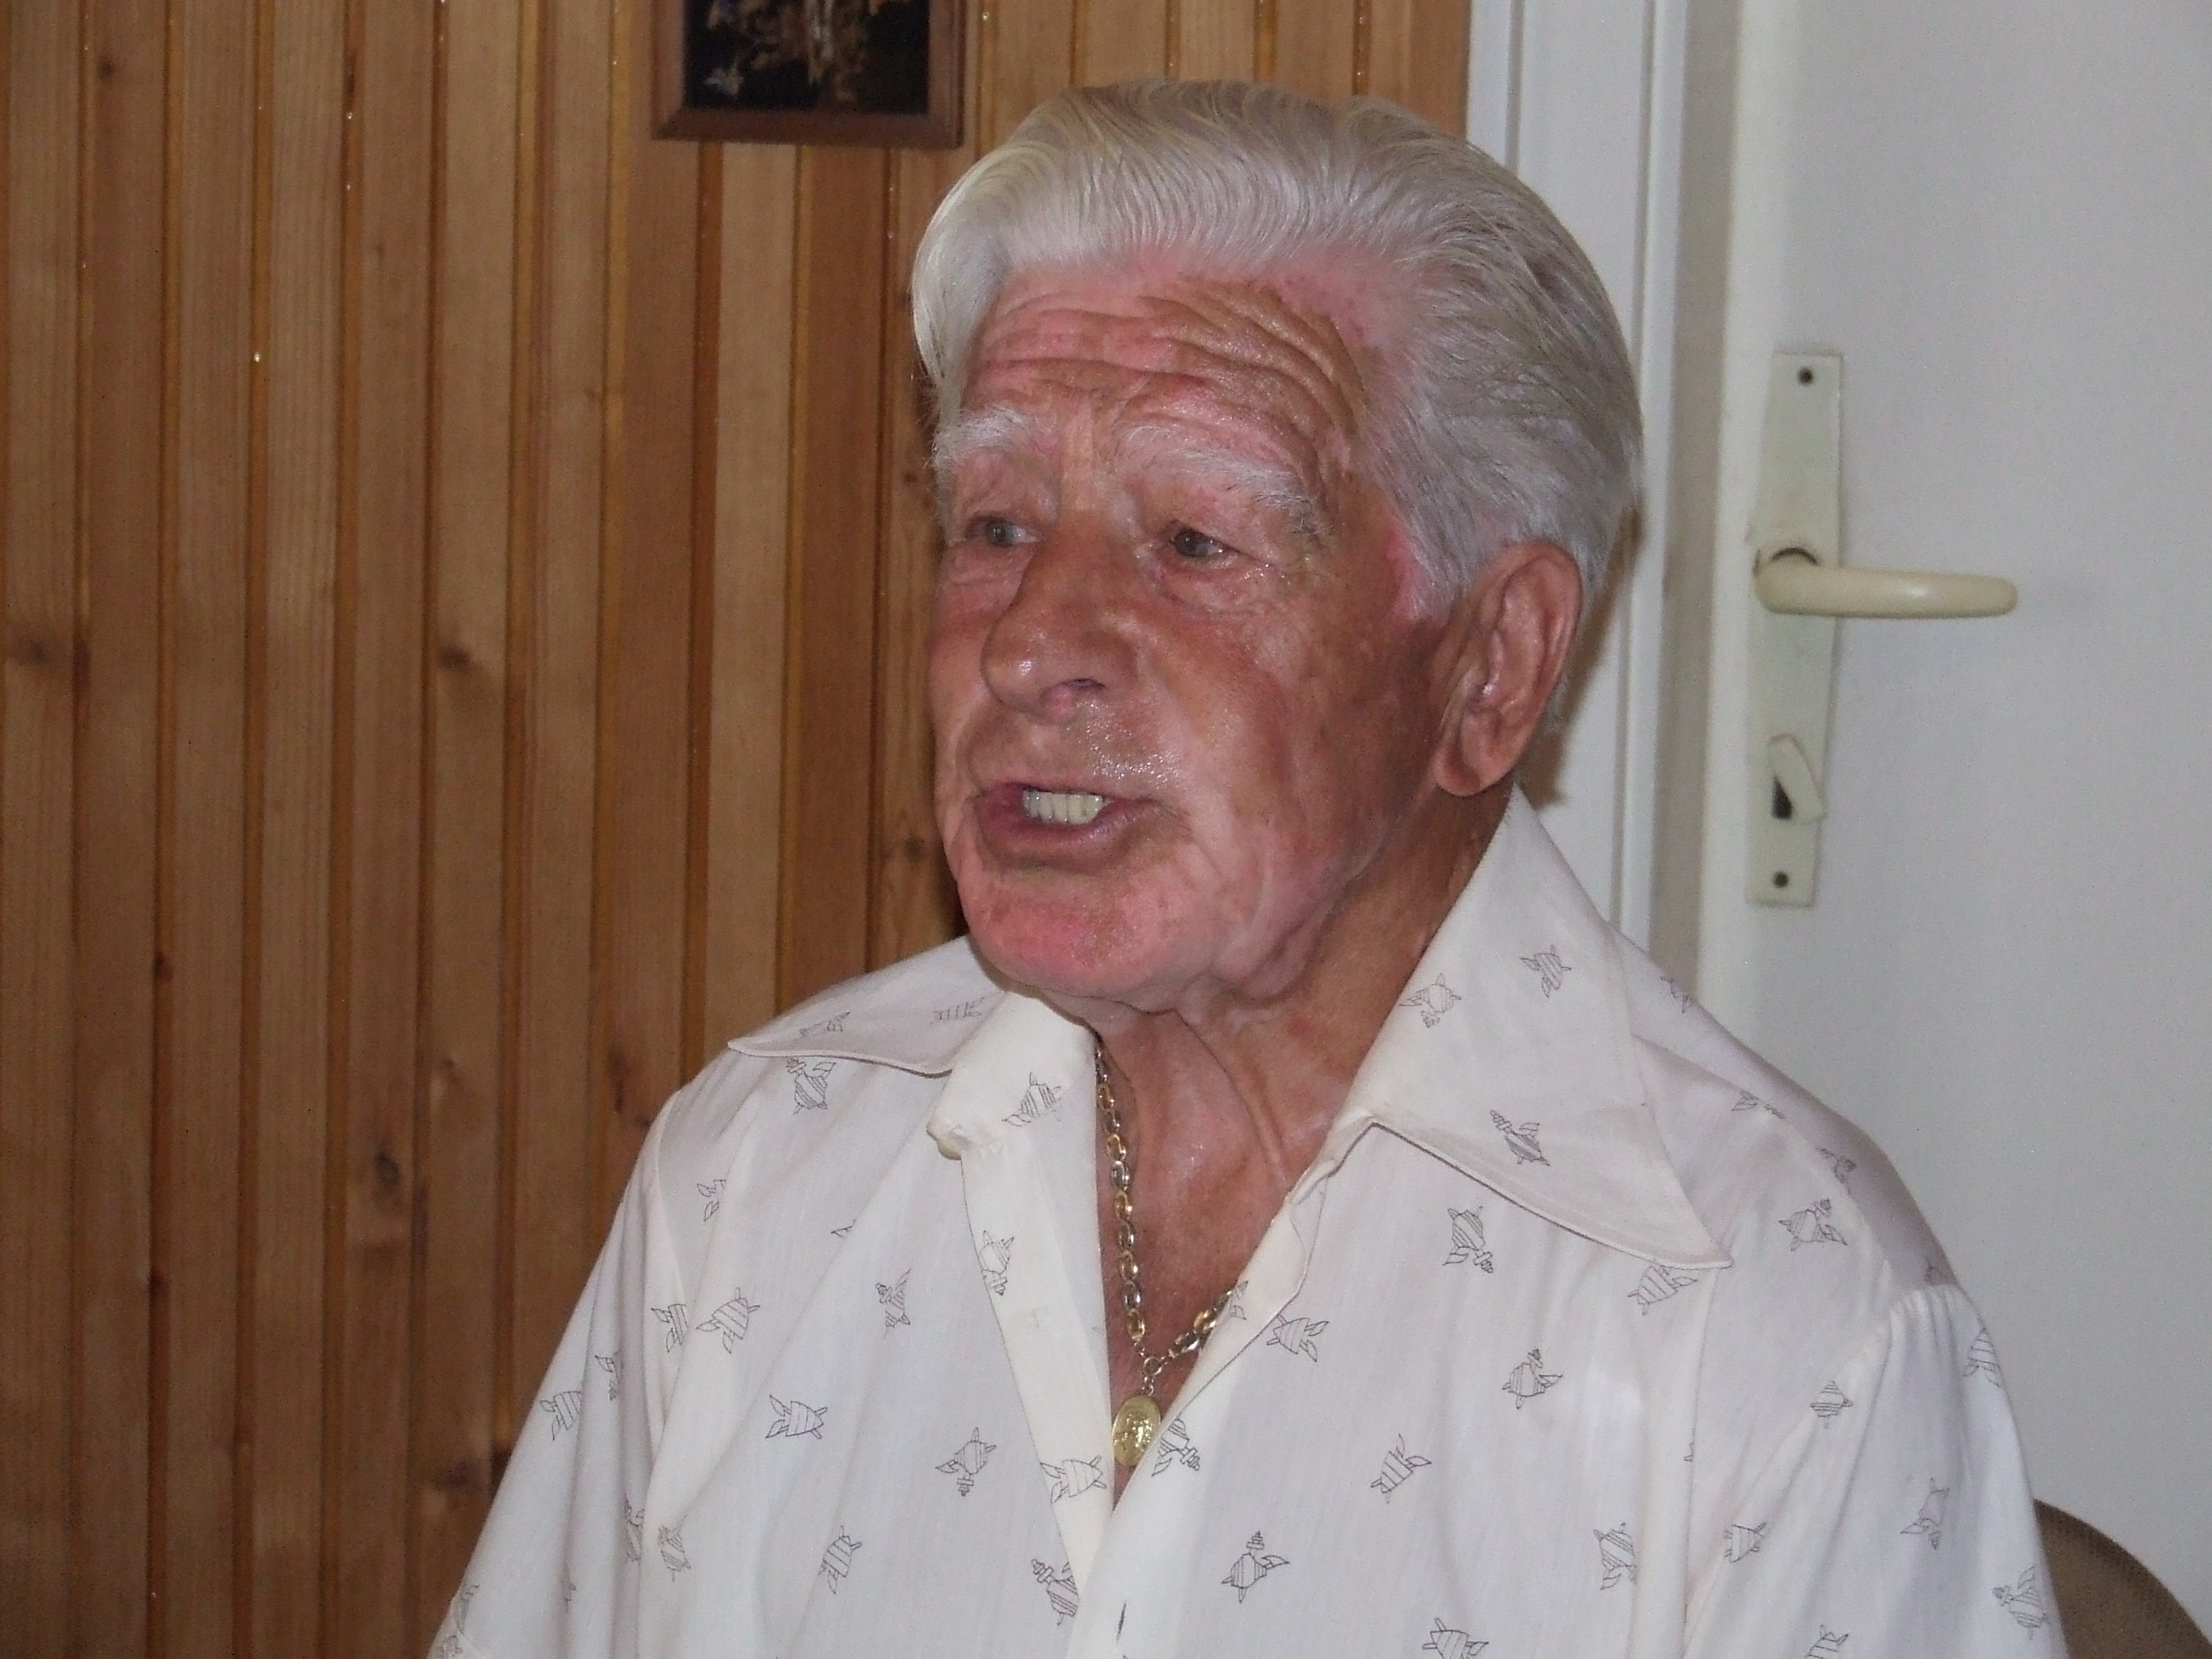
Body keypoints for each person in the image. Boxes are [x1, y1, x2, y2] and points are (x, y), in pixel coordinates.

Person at [434, 80, 2064, 1659]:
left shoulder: (1774, 1329)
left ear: (1491, 665)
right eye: (997, 526)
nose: (1029, 646)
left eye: (1193, 543)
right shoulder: (764, 1173)